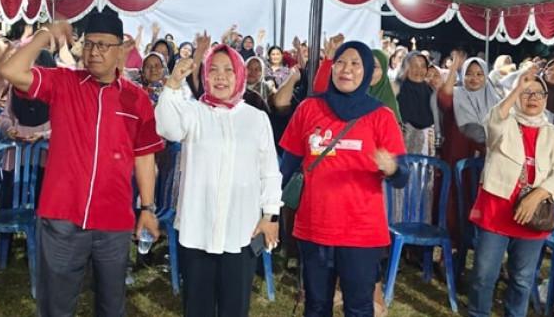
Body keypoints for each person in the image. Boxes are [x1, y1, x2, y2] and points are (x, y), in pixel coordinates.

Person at [0, 10, 163, 316]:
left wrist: (148, 209)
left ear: (120, 51)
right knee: (56, 306)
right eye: (89, 44)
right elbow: (10, 70)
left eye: (103, 45)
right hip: (62, 214)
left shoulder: (136, 99)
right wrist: (45, 35)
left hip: (114, 217)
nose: (94, 52)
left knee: (111, 305)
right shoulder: (63, 82)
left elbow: (144, 155)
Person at [279, 41, 408, 317]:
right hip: (314, 226)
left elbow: (402, 177)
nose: (346, 69)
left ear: (368, 72)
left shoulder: (381, 116)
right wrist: (271, 211)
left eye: (355, 64)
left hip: (361, 232)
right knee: (316, 306)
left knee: (359, 307)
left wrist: (393, 168)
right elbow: (287, 166)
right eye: (340, 62)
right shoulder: (309, 108)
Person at [155, 46, 282, 317]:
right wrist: (173, 83)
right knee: (197, 307)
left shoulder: (256, 119)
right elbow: (167, 127)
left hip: (241, 230)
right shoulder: (193, 112)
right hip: (198, 228)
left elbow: (269, 170)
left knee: (234, 307)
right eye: (213, 70)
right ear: (205, 76)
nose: (220, 77)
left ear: (240, 75)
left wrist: (270, 215)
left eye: (228, 70)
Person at [467, 67, 554, 317]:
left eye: (538, 94)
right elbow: (493, 121)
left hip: (531, 216)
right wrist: (516, 89)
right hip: (496, 211)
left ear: (545, 99)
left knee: (522, 280)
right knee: (484, 276)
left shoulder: (553, 134)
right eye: (527, 93)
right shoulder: (505, 123)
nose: (532, 98)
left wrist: (538, 195)